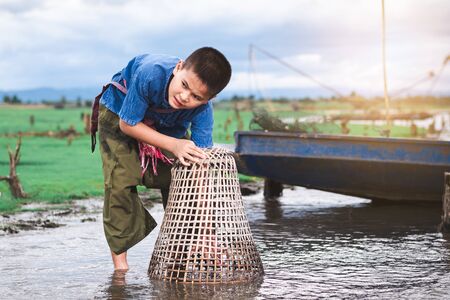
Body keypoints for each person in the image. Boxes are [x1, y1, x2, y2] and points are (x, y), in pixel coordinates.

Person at [90, 47, 232, 270]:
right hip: (121, 112)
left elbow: (201, 166)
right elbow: (128, 124)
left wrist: (205, 229)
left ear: (209, 99)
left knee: (185, 178)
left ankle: (182, 252)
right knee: (119, 182)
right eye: (185, 85)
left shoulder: (203, 111)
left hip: (168, 125)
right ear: (178, 68)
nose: (185, 97)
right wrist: (174, 145)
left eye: (197, 97)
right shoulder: (150, 74)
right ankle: (121, 268)